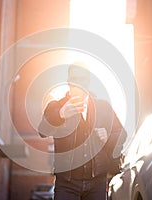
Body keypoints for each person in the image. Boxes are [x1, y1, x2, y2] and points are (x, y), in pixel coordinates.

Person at [38, 62, 127, 200]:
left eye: (82, 79)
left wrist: (108, 137)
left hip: (97, 183)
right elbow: (42, 130)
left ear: (88, 82)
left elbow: (122, 135)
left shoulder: (103, 107)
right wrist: (60, 115)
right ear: (68, 82)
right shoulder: (56, 106)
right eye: (75, 79)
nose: (79, 83)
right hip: (66, 183)